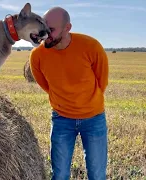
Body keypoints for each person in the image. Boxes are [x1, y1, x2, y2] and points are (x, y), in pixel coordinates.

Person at [29, 6, 109, 180]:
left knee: (97, 174)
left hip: (94, 118)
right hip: (61, 119)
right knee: (60, 175)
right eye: (43, 28)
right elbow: (45, 84)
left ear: (67, 28)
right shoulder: (37, 56)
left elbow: (101, 81)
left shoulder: (91, 46)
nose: (45, 35)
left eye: (50, 30)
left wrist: (88, 102)